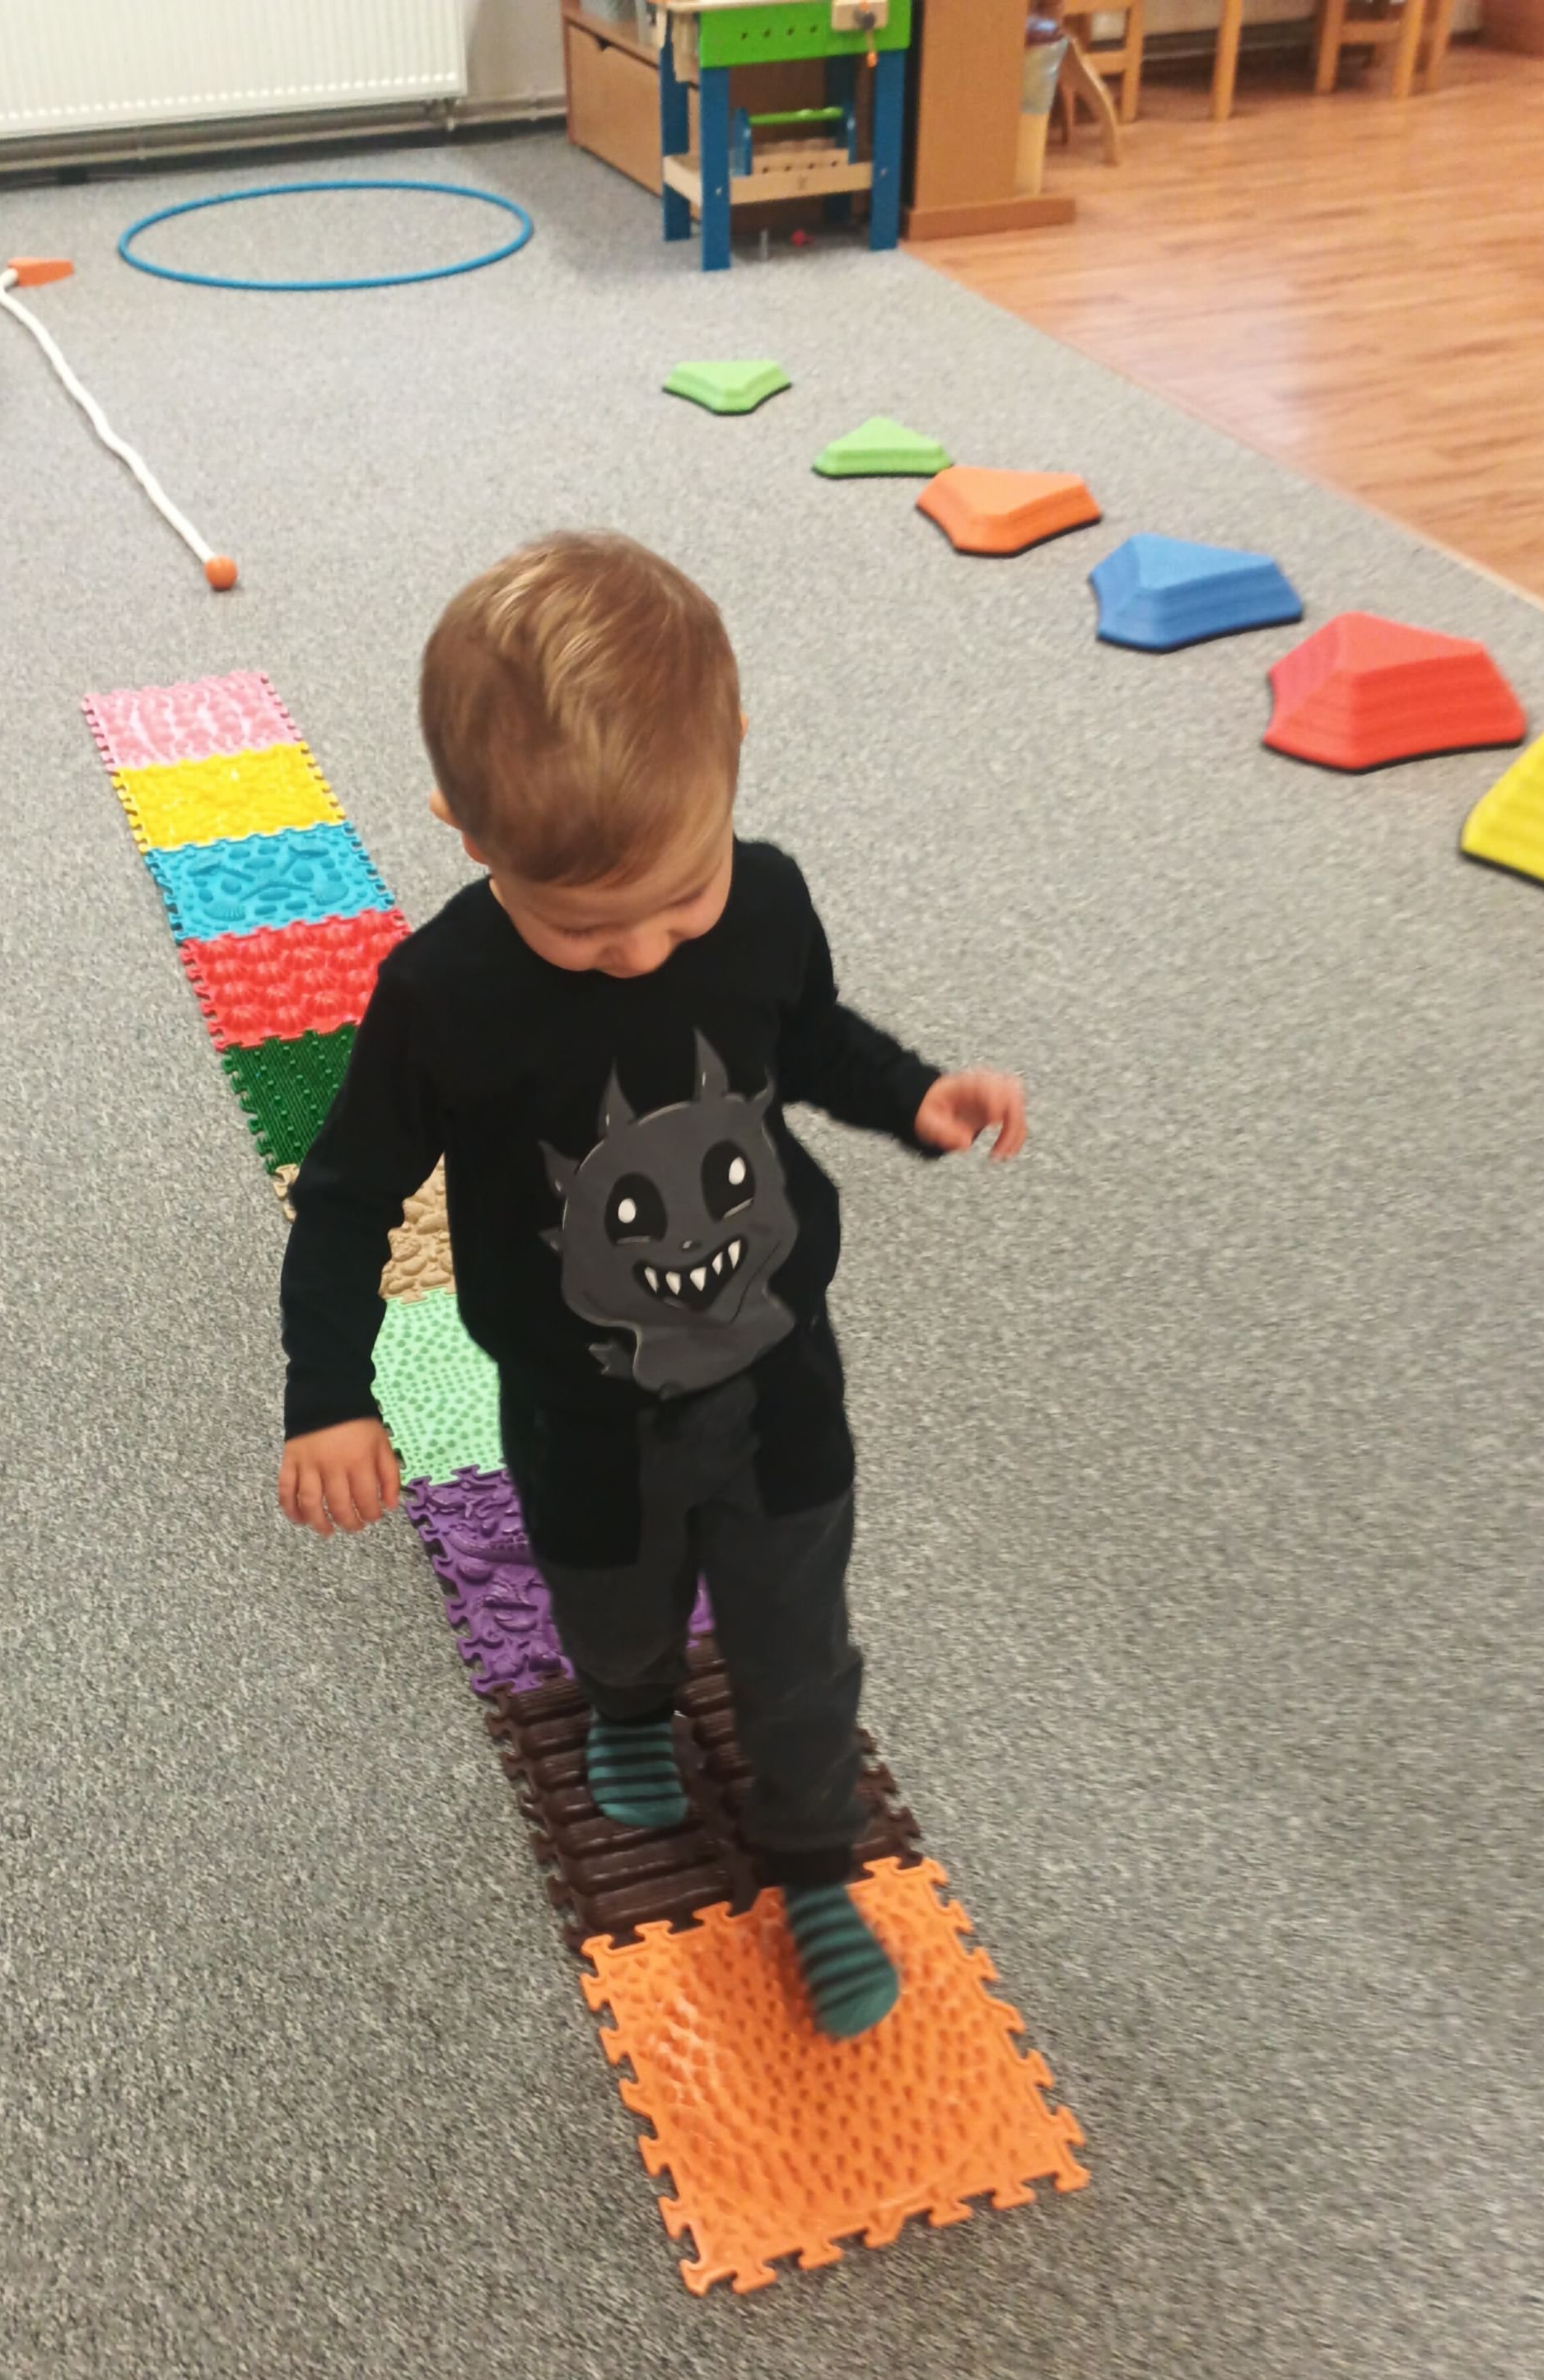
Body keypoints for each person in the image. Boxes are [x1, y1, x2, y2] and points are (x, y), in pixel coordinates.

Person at [278, 530, 1025, 2038]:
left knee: (796, 1647)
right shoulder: (443, 997)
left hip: (777, 1370)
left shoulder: (767, 897)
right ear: (464, 831)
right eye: (578, 926)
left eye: (678, 902)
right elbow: (349, 1199)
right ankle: (625, 1706)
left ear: (733, 757)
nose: (636, 952)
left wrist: (913, 1094)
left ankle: (816, 1865)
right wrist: (330, 1397)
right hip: (582, 1409)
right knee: (616, 1616)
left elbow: (807, 1037)